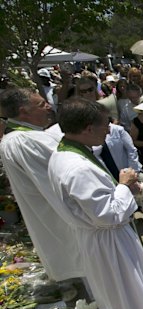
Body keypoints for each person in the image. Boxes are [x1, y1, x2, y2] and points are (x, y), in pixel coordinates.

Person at [47, 98, 143, 309]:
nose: (110, 128)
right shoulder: (77, 167)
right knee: (131, 293)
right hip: (110, 242)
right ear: (88, 128)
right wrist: (123, 185)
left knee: (132, 291)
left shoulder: (66, 153)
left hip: (102, 239)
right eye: (105, 124)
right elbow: (108, 215)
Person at [0, 88, 83, 282]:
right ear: (23, 112)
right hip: (64, 219)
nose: (48, 106)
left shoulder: (22, 138)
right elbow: (65, 174)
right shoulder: (25, 140)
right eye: (40, 104)